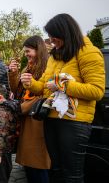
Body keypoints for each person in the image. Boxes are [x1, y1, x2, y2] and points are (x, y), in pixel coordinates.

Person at [21, 13, 105, 183]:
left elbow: (97, 91)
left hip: (75, 122)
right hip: (51, 118)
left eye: (53, 36)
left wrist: (63, 86)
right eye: (50, 37)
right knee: (55, 170)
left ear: (65, 32)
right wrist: (30, 83)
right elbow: (44, 87)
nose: (51, 41)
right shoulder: (54, 56)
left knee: (72, 175)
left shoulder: (89, 52)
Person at [8, 35, 50, 183]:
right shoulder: (28, 67)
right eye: (25, 52)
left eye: (28, 51)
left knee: (37, 162)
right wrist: (13, 73)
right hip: (26, 117)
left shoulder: (47, 66)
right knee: (28, 163)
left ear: (38, 50)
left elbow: (45, 93)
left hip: (37, 120)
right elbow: (17, 90)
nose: (26, 55)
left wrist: (22, 107)